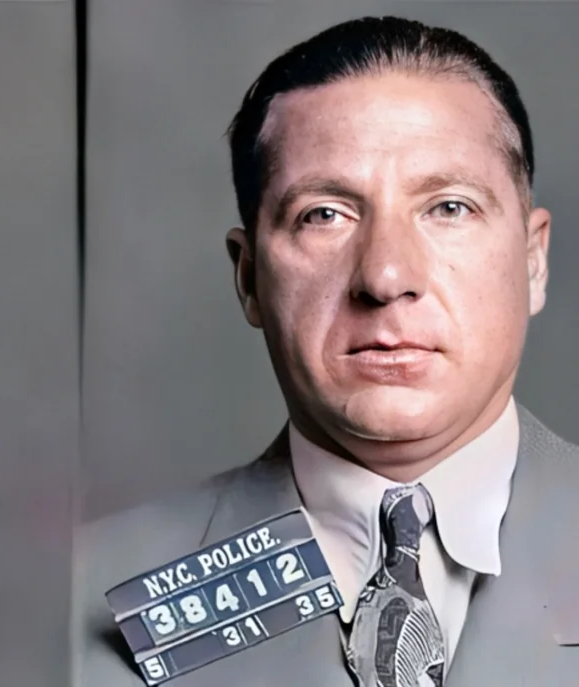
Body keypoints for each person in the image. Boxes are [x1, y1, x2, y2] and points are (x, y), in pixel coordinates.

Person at [72, 16, 579, 686]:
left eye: (449, 207)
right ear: (248, 276)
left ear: (534, 260)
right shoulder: (76, 600)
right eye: (324, 215)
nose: (386, 277)